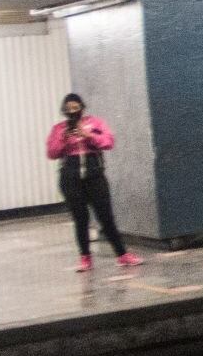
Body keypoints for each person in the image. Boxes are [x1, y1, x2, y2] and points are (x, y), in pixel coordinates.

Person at [46, 94, 142, 273]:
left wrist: (88, 135)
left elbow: (108, 142)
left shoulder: (95, 123)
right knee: (80, 219)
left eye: (76, 108)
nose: (73, 111)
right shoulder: (59, 129)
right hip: (70, 178)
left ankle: (122, 255)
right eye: (69, 109)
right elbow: (52, 153)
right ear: (64, 111)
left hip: (95, 176)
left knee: (106, 218)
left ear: (82, 107)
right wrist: (64, 139)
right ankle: (85, 258)